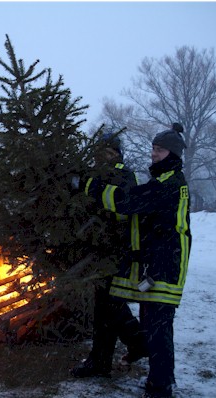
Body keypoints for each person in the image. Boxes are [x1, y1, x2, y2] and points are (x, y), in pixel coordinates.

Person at [81, 123, 191, 398]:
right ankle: (152, 375)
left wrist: (89, 187)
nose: (154, 154)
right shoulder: (162, 181)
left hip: (164, 266)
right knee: (134, 315)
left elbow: (127, 202)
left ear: (173, 154)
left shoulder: (168, 184)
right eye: (154, 149)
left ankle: (161, 386)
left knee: (157, 326)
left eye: (160, 150)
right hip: (151, 263)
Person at [70, 132, 148, 378]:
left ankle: (128, 346)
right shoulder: (95, 174)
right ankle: (106, 358)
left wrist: (87, 186)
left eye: (104, 151)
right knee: (106, 306)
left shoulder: (125, 176)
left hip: (118, 251)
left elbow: (120, 205)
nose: (99, 155)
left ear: (115, 152)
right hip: (99, 250)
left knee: (109, 306)